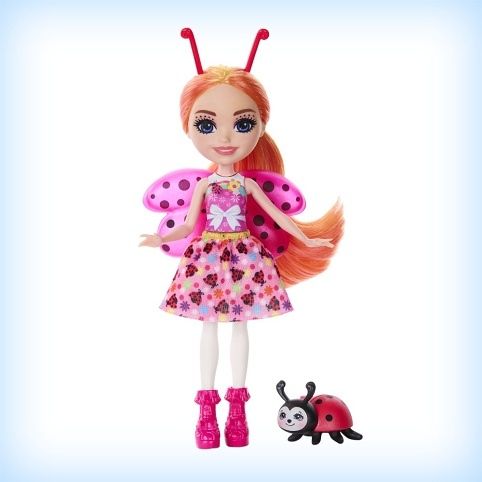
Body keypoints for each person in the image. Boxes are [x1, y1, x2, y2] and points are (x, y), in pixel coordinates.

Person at [140, 30, 343, 449]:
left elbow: (279, 217)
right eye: (207, 125)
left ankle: (238, 408)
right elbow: (188, 225)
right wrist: (160, 239)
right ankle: (206, 408)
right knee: (209, 327)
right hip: (207, 255)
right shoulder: (204, 185)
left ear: (260, 127)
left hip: (245, 257)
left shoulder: (247, 186)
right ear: (189, 128)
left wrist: (307, 239)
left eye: (243, 124)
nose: (225, 137)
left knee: (239, 327)